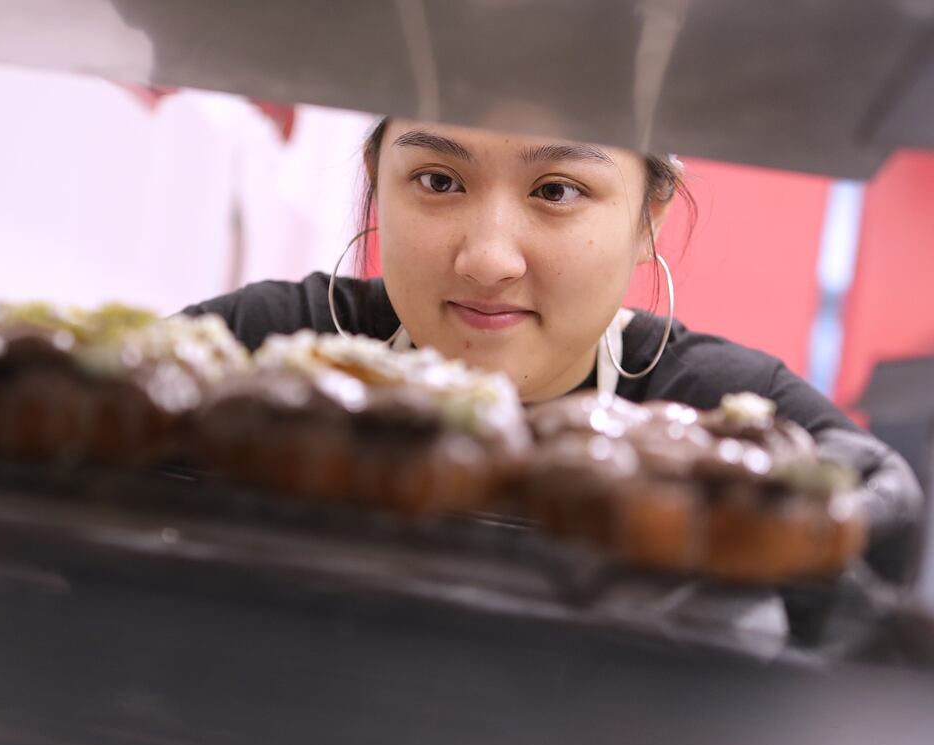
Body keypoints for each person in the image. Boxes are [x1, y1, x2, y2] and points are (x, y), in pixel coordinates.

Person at [183, 117, 924, 584]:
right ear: (380, 184)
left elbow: (879, 521)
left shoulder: (724, 411)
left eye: (558, 190)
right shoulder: (269, 351)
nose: (488, 260)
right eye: (438, 180)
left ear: (648, 220)